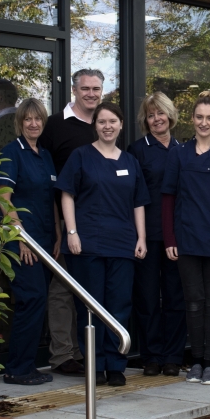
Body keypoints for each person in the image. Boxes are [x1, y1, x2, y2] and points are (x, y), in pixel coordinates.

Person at [57, 102, 149, 387]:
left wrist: (141, 238)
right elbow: (67, 194)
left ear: (121, 124)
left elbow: (138, 202)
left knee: (119, 306)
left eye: (112, 121)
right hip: (88, 245)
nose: (107, 126)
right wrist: (72, 232)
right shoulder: (81, 156)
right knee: (90, 307)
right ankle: (95, 365)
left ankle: (116, 365)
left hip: (123, 245)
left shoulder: (130, 161)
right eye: (101, 122)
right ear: (94, 125)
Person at [161, 91, 210, 385]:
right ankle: (195, 362)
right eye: (199, 117)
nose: (204, 122)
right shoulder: (178, 154)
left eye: (209, 118)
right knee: (193, 302)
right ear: (192, 119)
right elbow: (168, 197)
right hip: (187, 239)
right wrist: (170, 239)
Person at [37, 69, 105, 376]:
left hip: (100, 223)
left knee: (89, 289)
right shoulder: (55, 125)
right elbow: (44, 175)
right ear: (74, 91)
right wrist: (57, 226)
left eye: (96, 89)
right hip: (66, 222)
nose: (91, 94)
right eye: (86, 88)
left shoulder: (104, 124)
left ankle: (84, 352)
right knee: (63, 289)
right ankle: (63, 355)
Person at [0, 98, 59, 385]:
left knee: (38, 301)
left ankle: (27, 365)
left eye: (38, 119)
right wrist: (19, 236)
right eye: (28, 119)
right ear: (19, 123)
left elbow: (51, 199)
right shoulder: (12, 153)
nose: (33, 124)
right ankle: (17, 369)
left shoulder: (45, 155)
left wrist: (58, 234)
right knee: (31, 299)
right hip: (23, 242)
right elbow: (3, 198)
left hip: (45, 241)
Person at [127, 93, 185, 378]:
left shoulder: (183, 149)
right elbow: (132, 194)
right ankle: (151, 356)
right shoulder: (137, 150)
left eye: (160, 113)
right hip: (146, 235)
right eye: (150, 115)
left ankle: (173, 356)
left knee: (175, 297)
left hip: (177, 236)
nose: (156, 119)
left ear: (170, 115)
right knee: (147, 298)